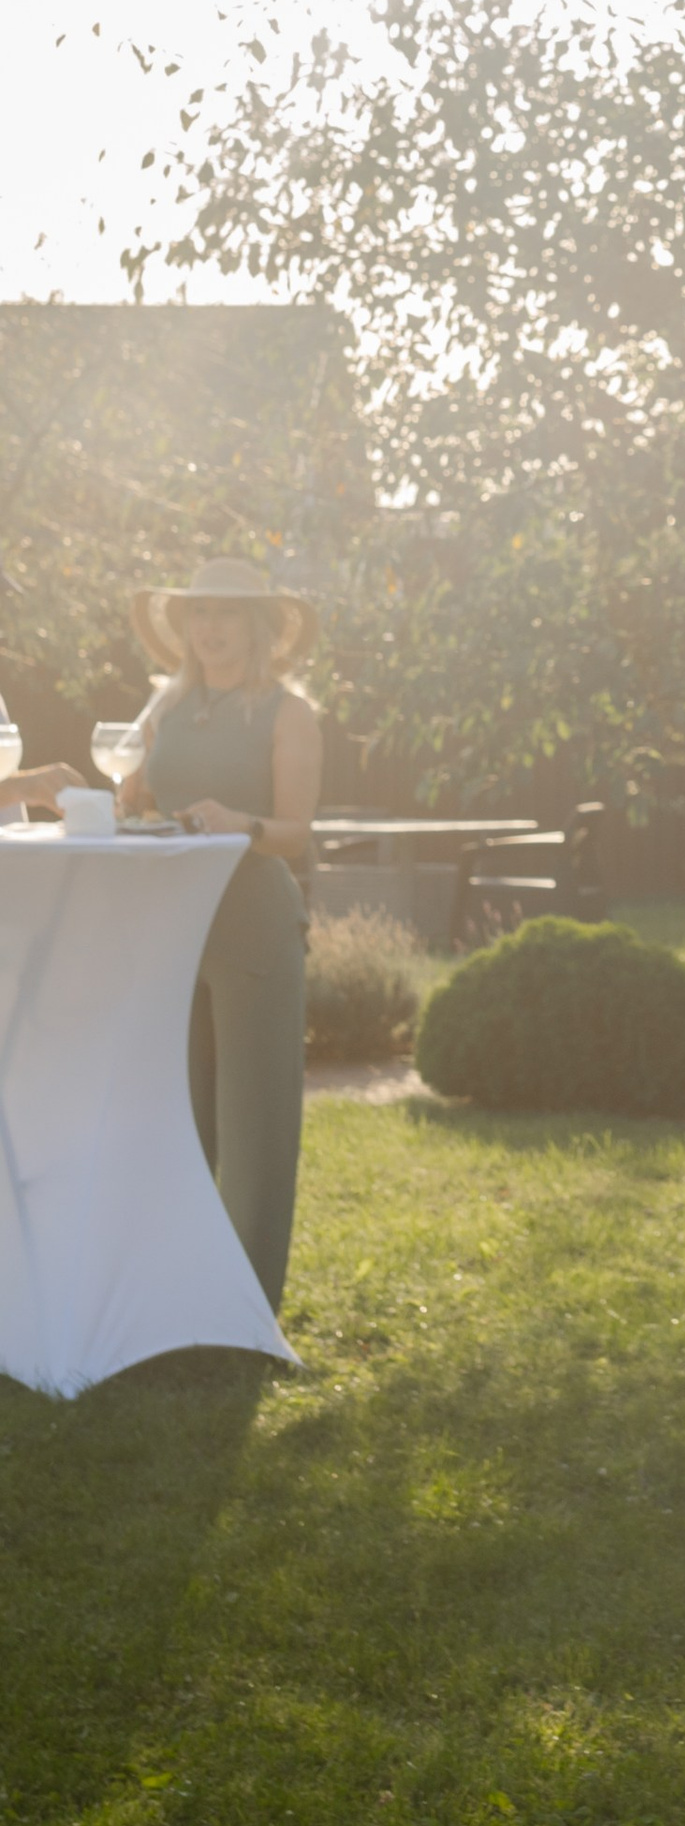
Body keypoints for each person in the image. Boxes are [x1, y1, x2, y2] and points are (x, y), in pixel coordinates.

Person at [125, 558, 324, 1313]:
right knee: (177, 1121)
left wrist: (241, 824)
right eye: (198, 613)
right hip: (171, 932)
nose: (209, 628)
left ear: (259, 626)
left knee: (254, 1136)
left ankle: (242, 1313)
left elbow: (296, 834)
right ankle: (176, 1297)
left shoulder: (287, 713)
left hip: (253, 932)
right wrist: (131, 795)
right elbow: (140, 798)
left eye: (227, 614)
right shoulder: (163, 709)